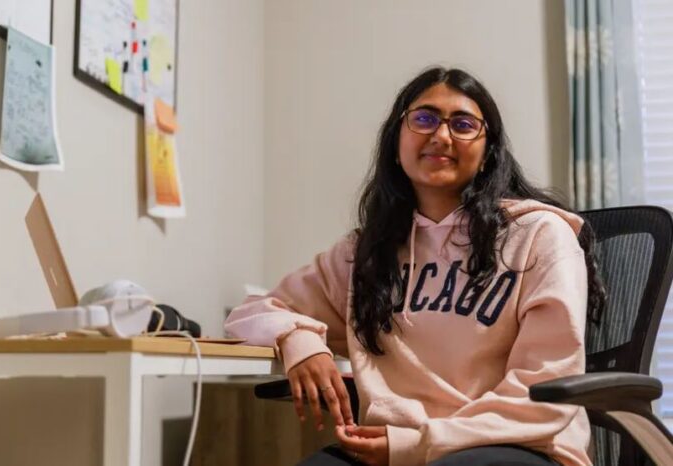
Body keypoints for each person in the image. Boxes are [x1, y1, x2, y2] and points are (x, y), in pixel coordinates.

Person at [225, 66, 605, 466]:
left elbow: (544, 392)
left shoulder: (538, 236)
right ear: (396, 140)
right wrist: (299, 341)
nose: (441, 135)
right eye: (424, 119)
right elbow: (250, 314)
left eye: (462, 124)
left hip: (520, 446)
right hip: (390, 450)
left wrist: (421, 442)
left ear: (488, 150)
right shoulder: (366, 253)